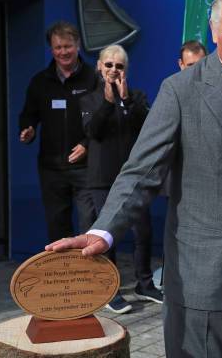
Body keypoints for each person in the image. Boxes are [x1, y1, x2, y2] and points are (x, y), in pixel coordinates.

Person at [46, 0, 222, 357]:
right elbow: (142, 170)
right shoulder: (180, 90)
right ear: (215, 31)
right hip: (203, 277)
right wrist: (105, 229)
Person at [79, 44, 161, 314]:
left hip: (133, 178)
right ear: (99, 67)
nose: (114, 70)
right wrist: (108, 102)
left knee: (143, 232)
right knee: (107, 235)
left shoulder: (136, 97)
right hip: (102, 178)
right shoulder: (89, 99)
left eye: (120, 66)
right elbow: (94, 131)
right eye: (109, 65)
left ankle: (144, 284)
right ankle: (109, 290)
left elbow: (146, 128)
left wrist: (125, 102)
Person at [19, 21, 97, 242]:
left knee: (89, 225)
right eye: (58, 47)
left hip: (85, 167)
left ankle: (91, 276)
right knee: (56, 225)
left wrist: (87, 144)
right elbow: (28, 114)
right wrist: (27, 129)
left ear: (78, 45)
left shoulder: (92, 78)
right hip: (51, 168)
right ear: (51, 49)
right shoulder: (40, 81)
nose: (63, 52)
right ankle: (63, 275)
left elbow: (104, 117)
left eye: (67, 46)